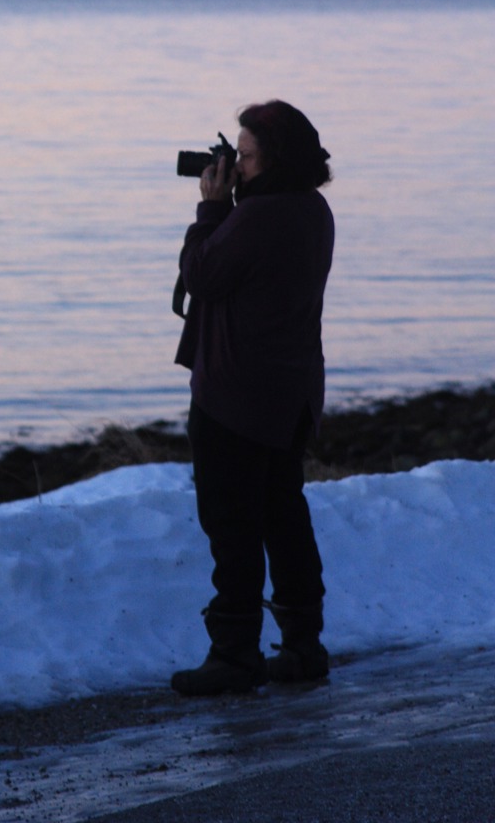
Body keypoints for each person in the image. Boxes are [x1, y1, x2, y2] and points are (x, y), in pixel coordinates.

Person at [171, 100, 334, 696]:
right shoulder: (312, 209)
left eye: (244, 156)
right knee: (283, 516)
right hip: (290, 393)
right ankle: (302, 644)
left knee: (232, 524)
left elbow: (202, 274)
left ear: (275, 159)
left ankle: (234, 655)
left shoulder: (258, 217)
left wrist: (211, 210)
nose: (234, 166)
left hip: (235, 396)